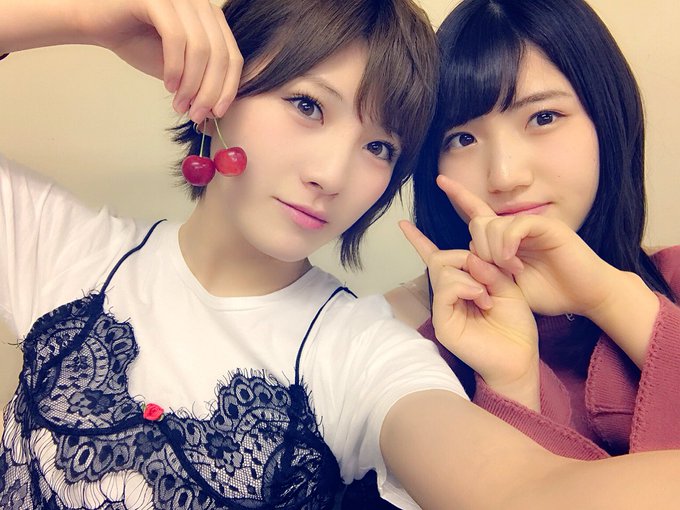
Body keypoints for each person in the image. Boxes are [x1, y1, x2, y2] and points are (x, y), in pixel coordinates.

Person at [3, 1, 680, 510]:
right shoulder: (57, 246)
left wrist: (607, 300)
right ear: (214, 94)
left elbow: (523, 491)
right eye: (307, 105)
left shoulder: (368, 350)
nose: (332, 174)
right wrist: (82, 15)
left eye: (379, 147)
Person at [388, 0, 680, 463]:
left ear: (607, 118)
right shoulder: (407, 338)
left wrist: (609, 299)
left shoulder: (674, 275)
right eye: (463, 138)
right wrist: (512, 385)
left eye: (543, 117)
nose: (505, 176)